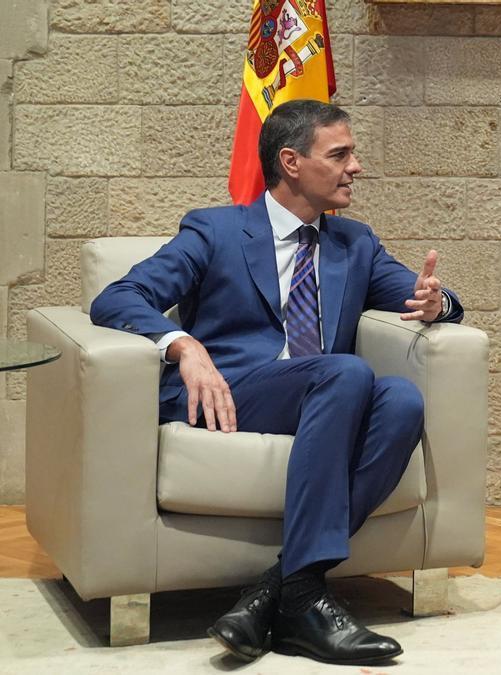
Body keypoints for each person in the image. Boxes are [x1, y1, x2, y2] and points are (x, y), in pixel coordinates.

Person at [90, 99, 463, 666]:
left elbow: (420, 295)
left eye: (352, 154)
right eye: (339, 154)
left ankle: (285, 590)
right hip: (232, 391)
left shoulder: (354, 243)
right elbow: (117, 297)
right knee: (347, 371)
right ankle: (304, 600)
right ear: (291, 161)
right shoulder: (215, 229)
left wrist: (438, 304)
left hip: (323, 395)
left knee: (403, 399)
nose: (356, 167)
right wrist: (182, 345)